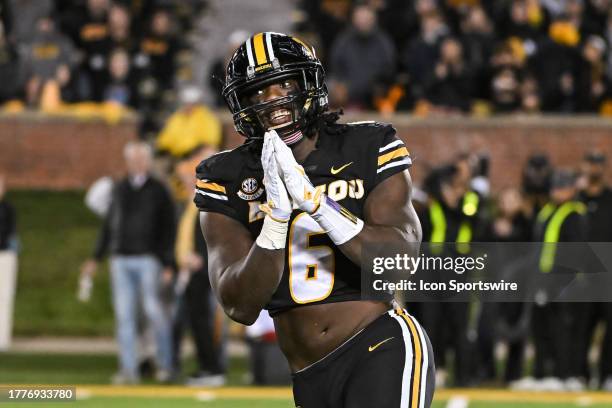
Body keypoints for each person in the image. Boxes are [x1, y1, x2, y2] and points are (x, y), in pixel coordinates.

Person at [195, 32, 434, 407]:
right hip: (307, 374)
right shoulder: (227, 176)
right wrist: (276, 217)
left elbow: (400, 263)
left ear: (309, 84)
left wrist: (319, 205)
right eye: (257, 92)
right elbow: (240, 305)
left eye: (283, 84)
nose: (272, 101)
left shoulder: (367, 146)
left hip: (379, 345)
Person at [80, 141, 176, 384]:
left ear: (148, 161)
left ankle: (165, 365)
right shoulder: (120, 189)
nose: (137, 164)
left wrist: (168, 263)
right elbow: (109, 226)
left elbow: (168, 228)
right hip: (120, 259)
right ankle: (128, 369)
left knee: (154, 313)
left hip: (148, 259)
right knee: (124, 317)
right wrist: (95, 257)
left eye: (141, 159)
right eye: (133, 159)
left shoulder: (159, 190)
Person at [576, 151, 612, 389]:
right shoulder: (575, 199)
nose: (595, 168)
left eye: (599, 163)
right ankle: (581, 375)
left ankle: (607, 374)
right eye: (591, 162)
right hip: (580, 277)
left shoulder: (610, 199)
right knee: (580, 329)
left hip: (607, 275)